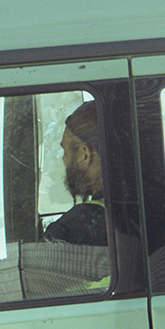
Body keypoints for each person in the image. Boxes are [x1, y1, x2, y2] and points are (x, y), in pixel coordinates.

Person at [47, 101, 110, 247]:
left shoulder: (74, 227)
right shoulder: (159, 201)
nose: (64, 159)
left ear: (85, 155)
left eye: (65, 151)